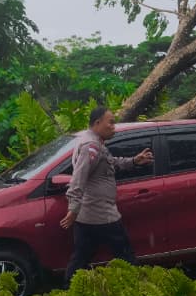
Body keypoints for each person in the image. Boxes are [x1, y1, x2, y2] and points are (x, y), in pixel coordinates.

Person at [58, 106, 153, 285]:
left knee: (80, 258)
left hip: (89, 216)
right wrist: (73, 209)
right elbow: (78, 179)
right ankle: (137, 290)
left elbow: (110, 162)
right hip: (102, 215)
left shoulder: (93, 142)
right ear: (97, 123)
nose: (113, 127)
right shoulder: (90, 147)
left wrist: (134, 161)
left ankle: (69, 292)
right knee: (125, 255)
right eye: (111, 122)